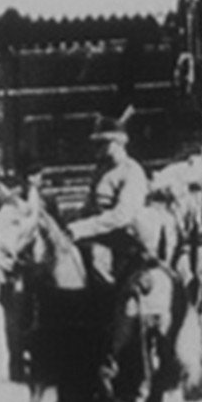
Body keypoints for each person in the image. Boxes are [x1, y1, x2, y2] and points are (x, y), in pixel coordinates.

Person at [67, 116, 150, 288]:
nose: (97, 148)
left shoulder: (132, 171)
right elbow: (90, 205)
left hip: (126, 238)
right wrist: (73, 222)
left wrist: (82, 228)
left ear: (118, 143)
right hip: (99, 232)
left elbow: (122, 216)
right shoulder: (101, 170)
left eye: (103, 143)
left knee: (98, 259)